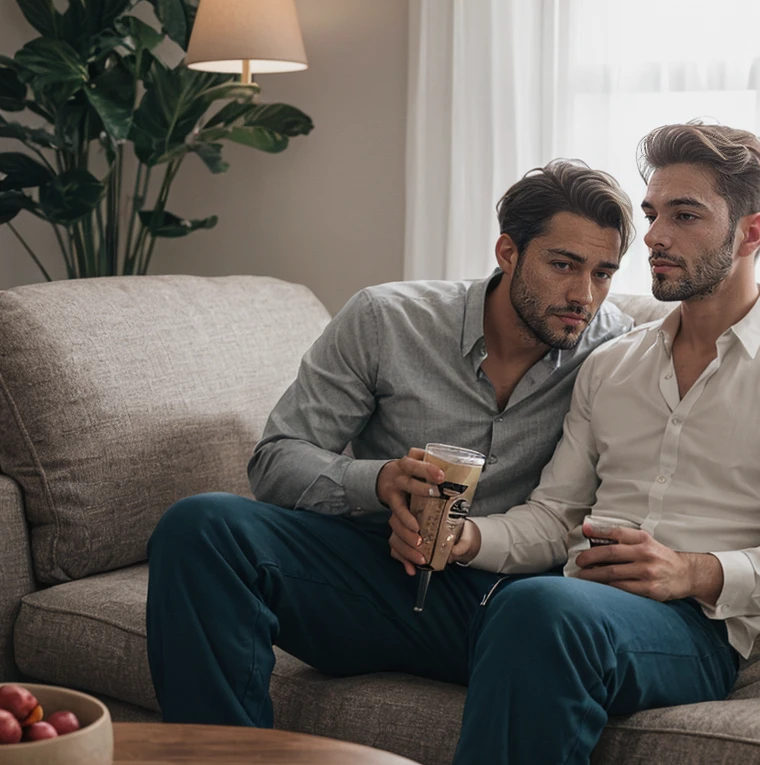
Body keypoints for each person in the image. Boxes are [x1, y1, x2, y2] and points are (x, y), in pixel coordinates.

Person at [387, 122, 760, 765]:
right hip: (565, 606)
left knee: (536, 608)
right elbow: (556, 518)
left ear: (750, 232)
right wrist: (469, 539)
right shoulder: (610, 365)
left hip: (693, 631)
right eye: (652, 213)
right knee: (526, 604)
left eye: (684, 215)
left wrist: (692, 571)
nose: (653, 234)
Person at [144, 159, 633, 724]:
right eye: (563, 265)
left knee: (542, 612)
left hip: (512, 604)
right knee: (201, 526)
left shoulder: (617, 351)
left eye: (603, 273)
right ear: (507, 252)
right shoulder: (387, 320)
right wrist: (379, 481)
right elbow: (276, 460)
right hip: (376, 581)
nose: (583, 295)